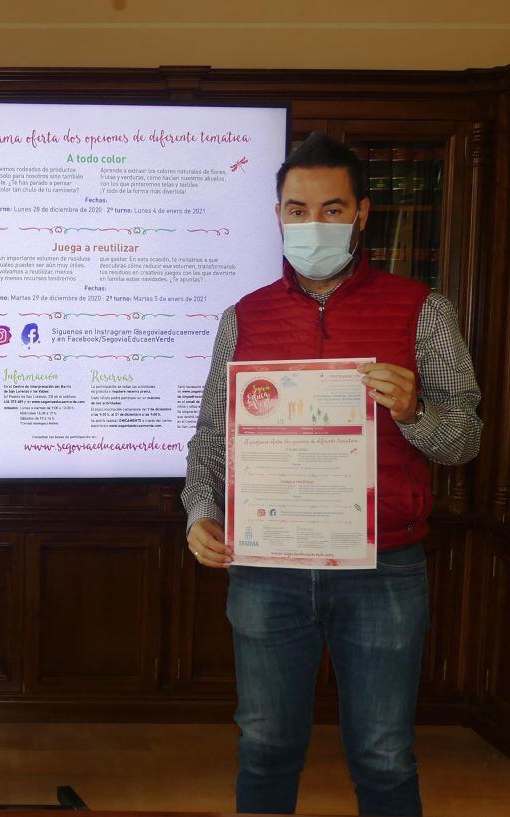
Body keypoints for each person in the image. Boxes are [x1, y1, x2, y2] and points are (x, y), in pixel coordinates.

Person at [182, 133, 481, 816]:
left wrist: (414, 410)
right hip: (266, 566)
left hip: (384, 568)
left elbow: (465, 438)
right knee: (263, 745)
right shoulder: (245, 317)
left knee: (382, 755)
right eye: (296, 209)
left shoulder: (421, 309)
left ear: (363, 213)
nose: (312, 224)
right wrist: (200, 513)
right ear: (279, 214)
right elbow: (209, 441)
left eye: (331, 208)